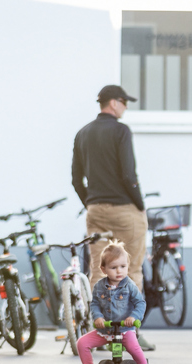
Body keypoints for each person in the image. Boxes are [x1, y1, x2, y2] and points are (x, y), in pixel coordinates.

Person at [71, 85, 154, 350]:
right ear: (115, 103)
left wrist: (91, 202)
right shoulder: (121, 131)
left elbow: (76, 179)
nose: (126, 108)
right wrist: (140, 206)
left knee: (99, 269)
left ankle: (103, 334)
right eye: (125, 103)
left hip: (95, 210)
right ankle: (130, 335)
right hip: (124, 209)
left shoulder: (82, 133)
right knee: (130, 270)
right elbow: (129, 176)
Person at [76, 242, 158, 364]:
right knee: (82, 343)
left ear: (127, 266)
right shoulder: (99, 286)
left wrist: (133, 317)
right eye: (113, 268)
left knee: (134, 348)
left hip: (124, 330)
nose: (119, 271)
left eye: (123, 267)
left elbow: (140, 303)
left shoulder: (129, 286)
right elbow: (94, 304)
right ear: (103, 269)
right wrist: (98, 318)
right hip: (105, 330)